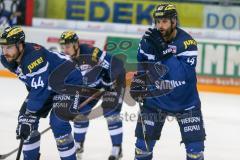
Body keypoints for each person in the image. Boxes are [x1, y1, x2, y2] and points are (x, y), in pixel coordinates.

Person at [130, 3, 206, 160]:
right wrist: (139, 82)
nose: (160, 26)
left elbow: (181, 76)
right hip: (155, 101)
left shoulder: (187, 43)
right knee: (142, 149)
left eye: (164, 21)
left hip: (186, 103)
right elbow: (143, 64)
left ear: (174, 21)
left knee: (195, 152)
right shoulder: (147, 41)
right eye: (157, 21)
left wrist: (164, 51)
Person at [0, 26, 81, 160]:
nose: (5, 51)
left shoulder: (34, 58)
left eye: (8, 47)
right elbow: (35, 84)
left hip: (70, 83)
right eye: (3, 47)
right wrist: (27, 118)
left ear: (20, 46)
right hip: (48, 85)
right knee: (25, 122)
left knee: (58, 123)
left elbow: (39, 89)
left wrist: (30, 114)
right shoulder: (6, 58)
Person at [57, 31, 126, 160]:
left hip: (113, 81)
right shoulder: (65, 60)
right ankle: (78, 144)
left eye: (67, 46)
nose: (64, 50)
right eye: (63, 47)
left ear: (76, 45)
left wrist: (110, 81)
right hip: (93, 86)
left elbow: (116, 65)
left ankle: (117, 147)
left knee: (110, 112)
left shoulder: (91, 52)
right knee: (79, 113)